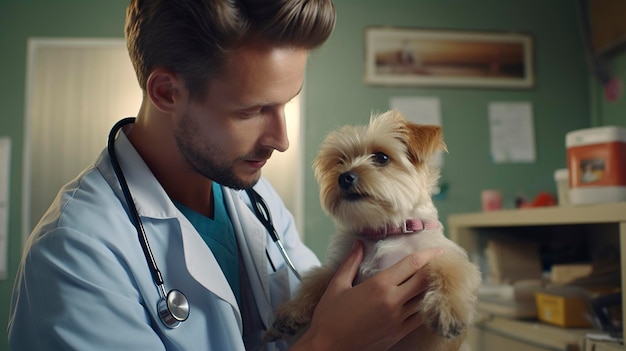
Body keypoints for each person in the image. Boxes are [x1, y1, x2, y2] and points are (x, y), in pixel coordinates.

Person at [8, 0, 443, 350]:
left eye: (285, 103)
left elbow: (326, 306)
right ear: (166, 92)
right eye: (252, 111)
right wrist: (330, 343)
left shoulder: (256, 200)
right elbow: (330, 330)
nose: (282, 139)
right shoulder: (75, 253)